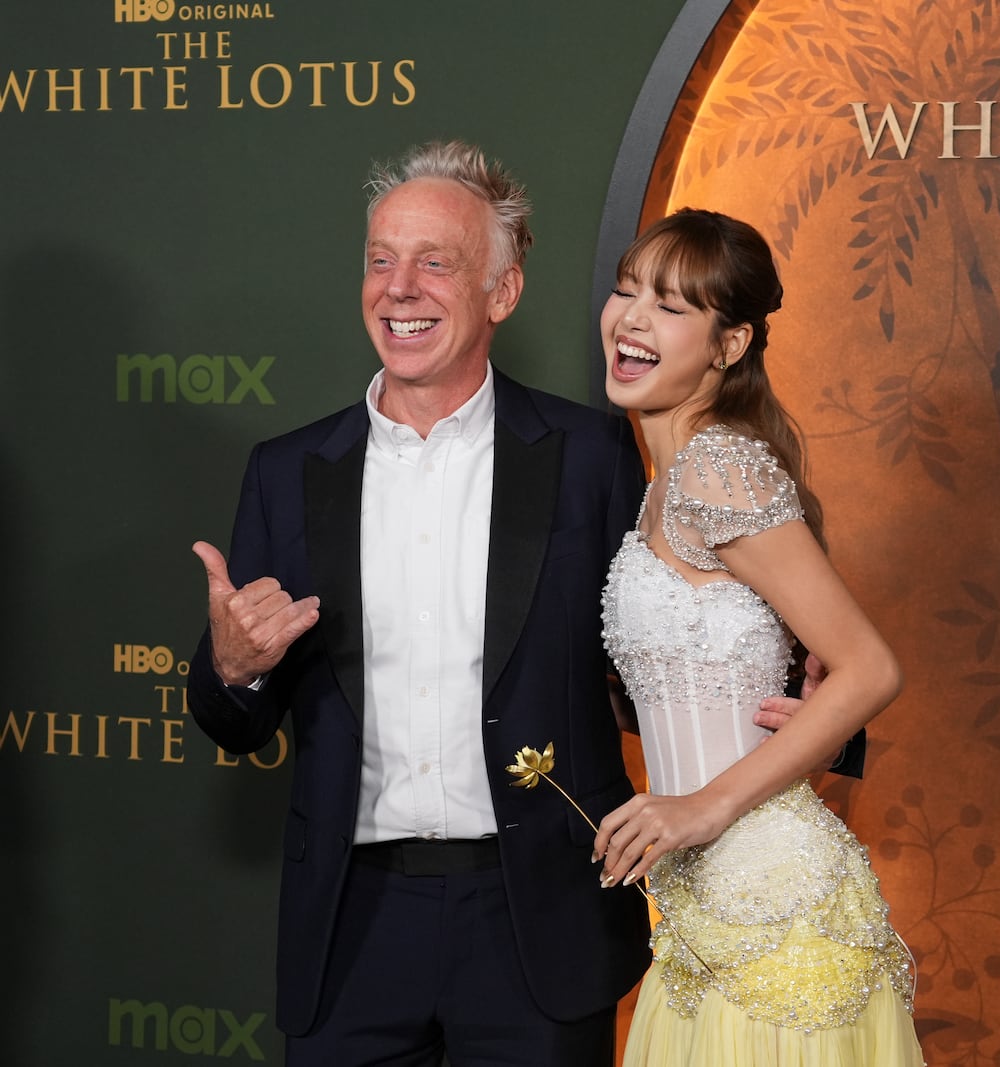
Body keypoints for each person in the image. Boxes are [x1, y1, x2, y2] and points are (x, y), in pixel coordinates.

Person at [186, 142, 831, 1066]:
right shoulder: (287, 473)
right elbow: (232, 718)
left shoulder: (590, 456)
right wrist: (232, 669)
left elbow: (655, 649)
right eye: (380, 260)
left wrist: (806, 714)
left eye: (434, 263)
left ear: (503, 292)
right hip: (349, 930)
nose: (399, 288)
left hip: (541, 920)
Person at [591, 208, 925, 1066]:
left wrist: (705, 804)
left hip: (775, 916)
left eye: (669, 305)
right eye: (627, 291)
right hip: (708, 919)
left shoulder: (717, 468)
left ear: (729, 344)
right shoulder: (669, 482)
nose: (630, 319)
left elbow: (868, 666)